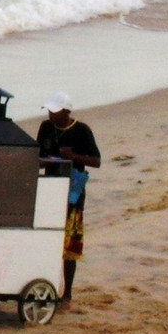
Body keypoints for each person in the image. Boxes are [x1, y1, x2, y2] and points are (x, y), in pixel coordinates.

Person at [36, 93, 101, 303]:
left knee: (69, 245)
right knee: (46, 239)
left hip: (73, 194)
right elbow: (38, 156)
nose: (50, 115)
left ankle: (68, 292)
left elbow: (96, 160)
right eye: (49, 111)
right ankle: (45, 285)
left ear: (66, 112)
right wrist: (43, 162)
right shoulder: (46, 128)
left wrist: (73, 157)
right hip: (49, 190)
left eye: (54, 111)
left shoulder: (82, 131)